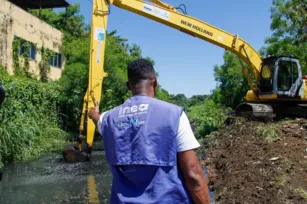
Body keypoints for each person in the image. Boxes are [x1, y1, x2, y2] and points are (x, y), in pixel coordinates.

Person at [88, 58, 211, 204]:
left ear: (128, 85)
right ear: (155, 82)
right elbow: (193, 174)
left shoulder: (109, 119)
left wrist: (94, 113)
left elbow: (98, 120)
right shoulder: (173, 114)